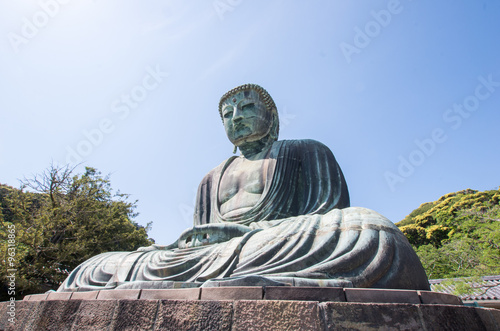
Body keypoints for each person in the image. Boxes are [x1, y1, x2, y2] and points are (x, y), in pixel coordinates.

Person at [58, 84, 430, 292]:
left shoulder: (306, 151)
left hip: (277, 243)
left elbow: (329, 215)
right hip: (216, 257)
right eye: (227, 114)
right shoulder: (210, 178)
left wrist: (251, 232)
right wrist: (190, 244)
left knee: (370, 229)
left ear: (271, 115)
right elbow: (199, 238)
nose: (236, 118)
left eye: (247, 108)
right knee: (97, 267)